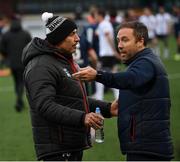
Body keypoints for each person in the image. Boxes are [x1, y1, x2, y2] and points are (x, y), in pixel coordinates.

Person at [22, 12, 118, 161]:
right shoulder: (41, 66)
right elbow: (44, 105)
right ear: (58, 37)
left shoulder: (62, 61)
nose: (77, 38)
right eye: (72, 34)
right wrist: (82, 118)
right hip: (58, 149)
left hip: (70, 146)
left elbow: (73, 99)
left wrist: (108, 108)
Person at [73, 21, 174, 161]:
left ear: (140, 41)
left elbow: (129, 79)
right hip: (144, 145)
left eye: (125, 40)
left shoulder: (146, 62)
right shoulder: (141, 62)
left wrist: (98, 75)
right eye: (118, 40)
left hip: (148, 148)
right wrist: (112, 108)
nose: (119, 45)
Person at [0, 14, 32, 112]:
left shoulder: (6, 35)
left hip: (12, 63)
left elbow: (2, 48)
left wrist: (7, 57)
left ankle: (20, 102)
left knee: (16, 82)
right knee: (21, 82)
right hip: (23, 62)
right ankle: (19, 101)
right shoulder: (25, 34)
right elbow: (31, 47)